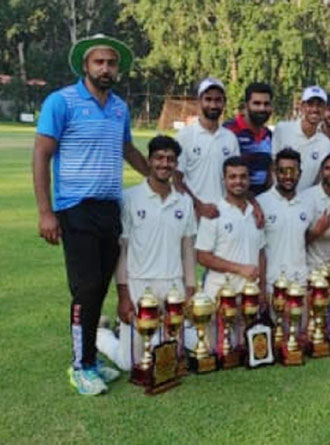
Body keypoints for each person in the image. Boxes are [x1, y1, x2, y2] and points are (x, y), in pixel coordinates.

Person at [33, 33, 148, 395]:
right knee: (85, 288)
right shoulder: (61, 101)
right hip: (75, 208)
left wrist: (158, 175)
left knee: (99, 286)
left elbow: (126, 148)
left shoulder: (119, 107)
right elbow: (41, 155)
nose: (105, 68)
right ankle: (80, 366)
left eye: (111, 63)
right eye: (99, 62)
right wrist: (45, 212)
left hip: (109, 208)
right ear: (86, 65)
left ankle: (92, 359)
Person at [96, 136, 196, 371]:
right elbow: (122, 249)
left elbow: (187, 247)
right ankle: (100, 334)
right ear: (149, 161)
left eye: (170, 159)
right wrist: (123, 295)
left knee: (171, 358)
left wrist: (190, 287)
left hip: (173, 286)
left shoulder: (184, 202)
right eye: (159, 158)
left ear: (176, 164)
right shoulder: (130, 198)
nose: (164, 164)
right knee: (132, 364)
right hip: (139, 285)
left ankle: (129, 332)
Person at [194, 156, 267, 351]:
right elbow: (202, 256)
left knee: (244, 349)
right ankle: (106, 336)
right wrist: (239, 268)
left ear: (249, 180)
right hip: (220, 296)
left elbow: (261, 253)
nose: (238, 181)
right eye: (232, 177)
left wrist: (263, 290)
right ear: (224, 180)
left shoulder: (256, 213)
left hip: (248, 297)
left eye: (243, 177)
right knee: (213, 350)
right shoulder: (214, 213)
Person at [175, 77, 241, 219]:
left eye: (218, 100)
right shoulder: (185, 136)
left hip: (224, 216)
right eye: (208, 99)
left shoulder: (230, 138)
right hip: (193, 216)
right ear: (199, 101)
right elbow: (176, 181)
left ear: (224, 103)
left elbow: (236, 180)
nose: (213, 105)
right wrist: (199, 206)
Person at [256, 149, 314, 290]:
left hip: (300, 282)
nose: (288, 177)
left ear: (299, 173)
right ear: (275, 172)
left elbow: (311, 237)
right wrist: (262, 286)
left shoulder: (308, 204)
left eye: (292, 171)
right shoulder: (261, 204)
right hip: (272, 284)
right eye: (283, 171)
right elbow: (257, 249)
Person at [272, 86, 330, 192]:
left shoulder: (326, 145)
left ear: (324, 109)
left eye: (319, 105)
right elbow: (272, 165)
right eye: (310, 104)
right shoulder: (283, 129)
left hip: (304, 203)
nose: (315, 109)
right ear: (302, 107)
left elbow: (319, 180)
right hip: (277, 199)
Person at [223, 81, 274, 195]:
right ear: (246, 105)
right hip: (235, 203)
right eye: (256, 103)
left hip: (261, 205)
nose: (262, 108)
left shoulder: (268, 135)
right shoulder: (228, 131)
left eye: (266, 104)